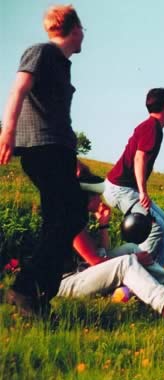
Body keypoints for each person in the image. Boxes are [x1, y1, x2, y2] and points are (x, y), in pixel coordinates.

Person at [0, 5, 88, 317]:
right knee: (69, 215)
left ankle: (36, 293)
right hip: (42, 148)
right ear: (75, 29)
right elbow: (18, 89)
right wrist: (7, 131)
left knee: (66, 218)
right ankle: (26, 287)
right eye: (83, 32)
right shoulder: (41, 52)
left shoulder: (62, 65)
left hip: (58, 150)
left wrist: (72, 155)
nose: (83, 38)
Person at [57, 171, 164, 320]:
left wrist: (103, 224)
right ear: (89, 197)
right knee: (126, 262)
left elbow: (102, 253)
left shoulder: (80, 219)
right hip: (66, 283)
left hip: (81, 274)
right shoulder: (72, 223)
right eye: (98, 195)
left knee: (131, 248)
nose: (101, 199)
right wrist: (135, 259)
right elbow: (95, 262)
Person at [104, 88, 164, 266]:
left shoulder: (154, 127)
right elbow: (139, 157)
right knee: (155, 227)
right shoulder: (151, 127)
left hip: (128, 189)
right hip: (120, 189)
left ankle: (159, 275)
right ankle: (136, 270)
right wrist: (143, 192)